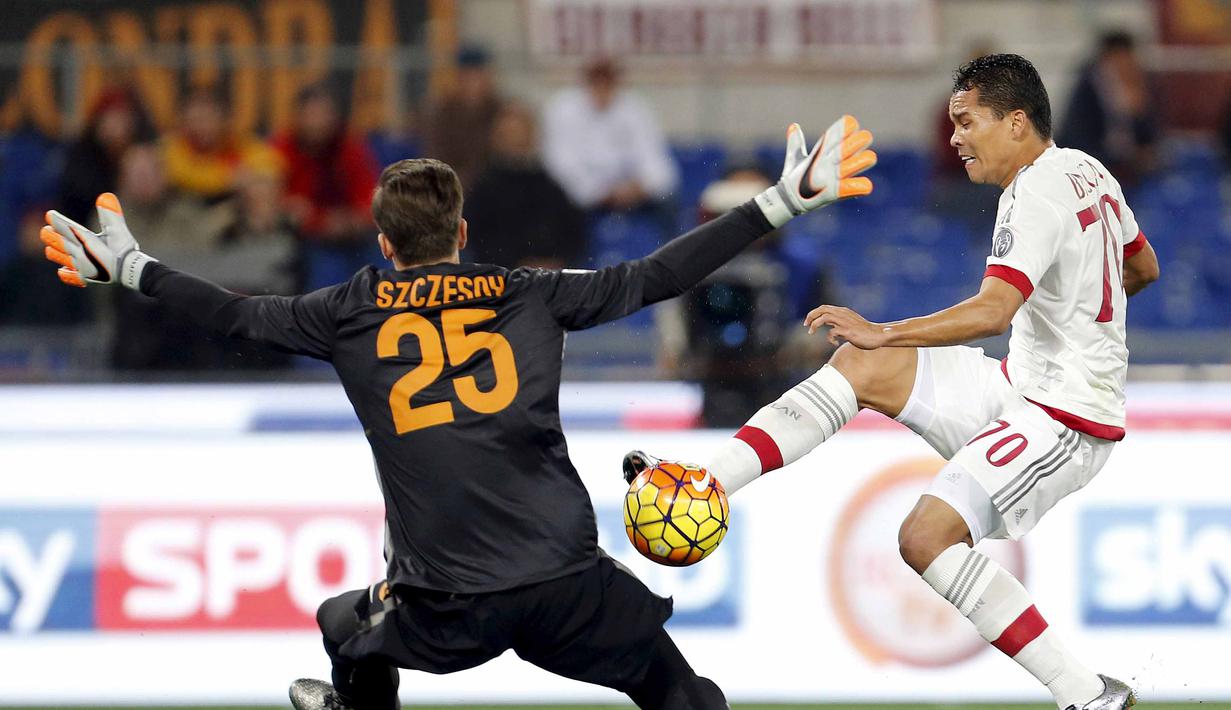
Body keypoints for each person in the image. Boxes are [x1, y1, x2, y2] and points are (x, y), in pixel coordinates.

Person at [39, 115, 876, 708]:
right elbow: (657, 276)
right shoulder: (529, 294)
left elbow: (233, 313)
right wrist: (780, 202)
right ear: (462, 232)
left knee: (344, 626)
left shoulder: (346, 312)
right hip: (565, 582)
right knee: (684, 695)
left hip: (447, 603)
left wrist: (135, 269)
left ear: (384, 245)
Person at [627, 55, 1159, 710]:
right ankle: (706, 483)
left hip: (1063, 419)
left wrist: (887, 330)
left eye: (966, 122)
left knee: (923, 537)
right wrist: (1082, 320)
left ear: (1016, 122)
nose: (954, 138)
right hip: (1021, 387)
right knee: (860, 365)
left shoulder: (1033, 196)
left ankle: (1085, 694)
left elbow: (994, 311)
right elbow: (1143, 268)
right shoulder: (1087, 170)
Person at [271, 83, 381, 290]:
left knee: (386, 266)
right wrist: (317, 220)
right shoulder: (283, 147)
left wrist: (352, 220)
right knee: (324, 278)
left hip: (353, 234)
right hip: (305, 239)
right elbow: (283, 201)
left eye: (323, 115)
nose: (317, 123)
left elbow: (370, 197)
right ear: (297, 117)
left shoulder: (350, 147)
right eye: (310, 115)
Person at [541, 57, 678, 211]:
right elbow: (560, 164)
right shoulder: (563, 108)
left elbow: (655, 158)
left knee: (668, 197)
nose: (602, 88)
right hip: (585, 194)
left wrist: (643, 186)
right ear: (585, 82)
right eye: (596, 81)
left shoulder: (634, 107)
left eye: (607, 81)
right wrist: (599, 191)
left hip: (632, 190)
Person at [465, 101, 586, 269]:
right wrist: (517, 264)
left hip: (552, 274)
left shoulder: (550, 185)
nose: (516, 139)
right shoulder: (484, 189)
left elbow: (573, 232)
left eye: (521, 131)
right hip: (504, 276)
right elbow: (479, 240)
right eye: (509, 133)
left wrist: (557, 260)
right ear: (496, 137)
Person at [1057, 31, 1158, 188]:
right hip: (1091, 164)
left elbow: (1150, 135)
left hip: (1128, 165)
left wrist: (1139, 114)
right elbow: (1078, 136)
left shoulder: (1142, 83)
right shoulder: (1089, 88)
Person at [422, 44, 505, 191]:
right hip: (451, 187)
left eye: (478, 75)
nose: (473, 82)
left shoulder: (501, 112)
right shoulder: (443, 114)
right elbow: (435, 156)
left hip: (494, 187)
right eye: (467, 76)